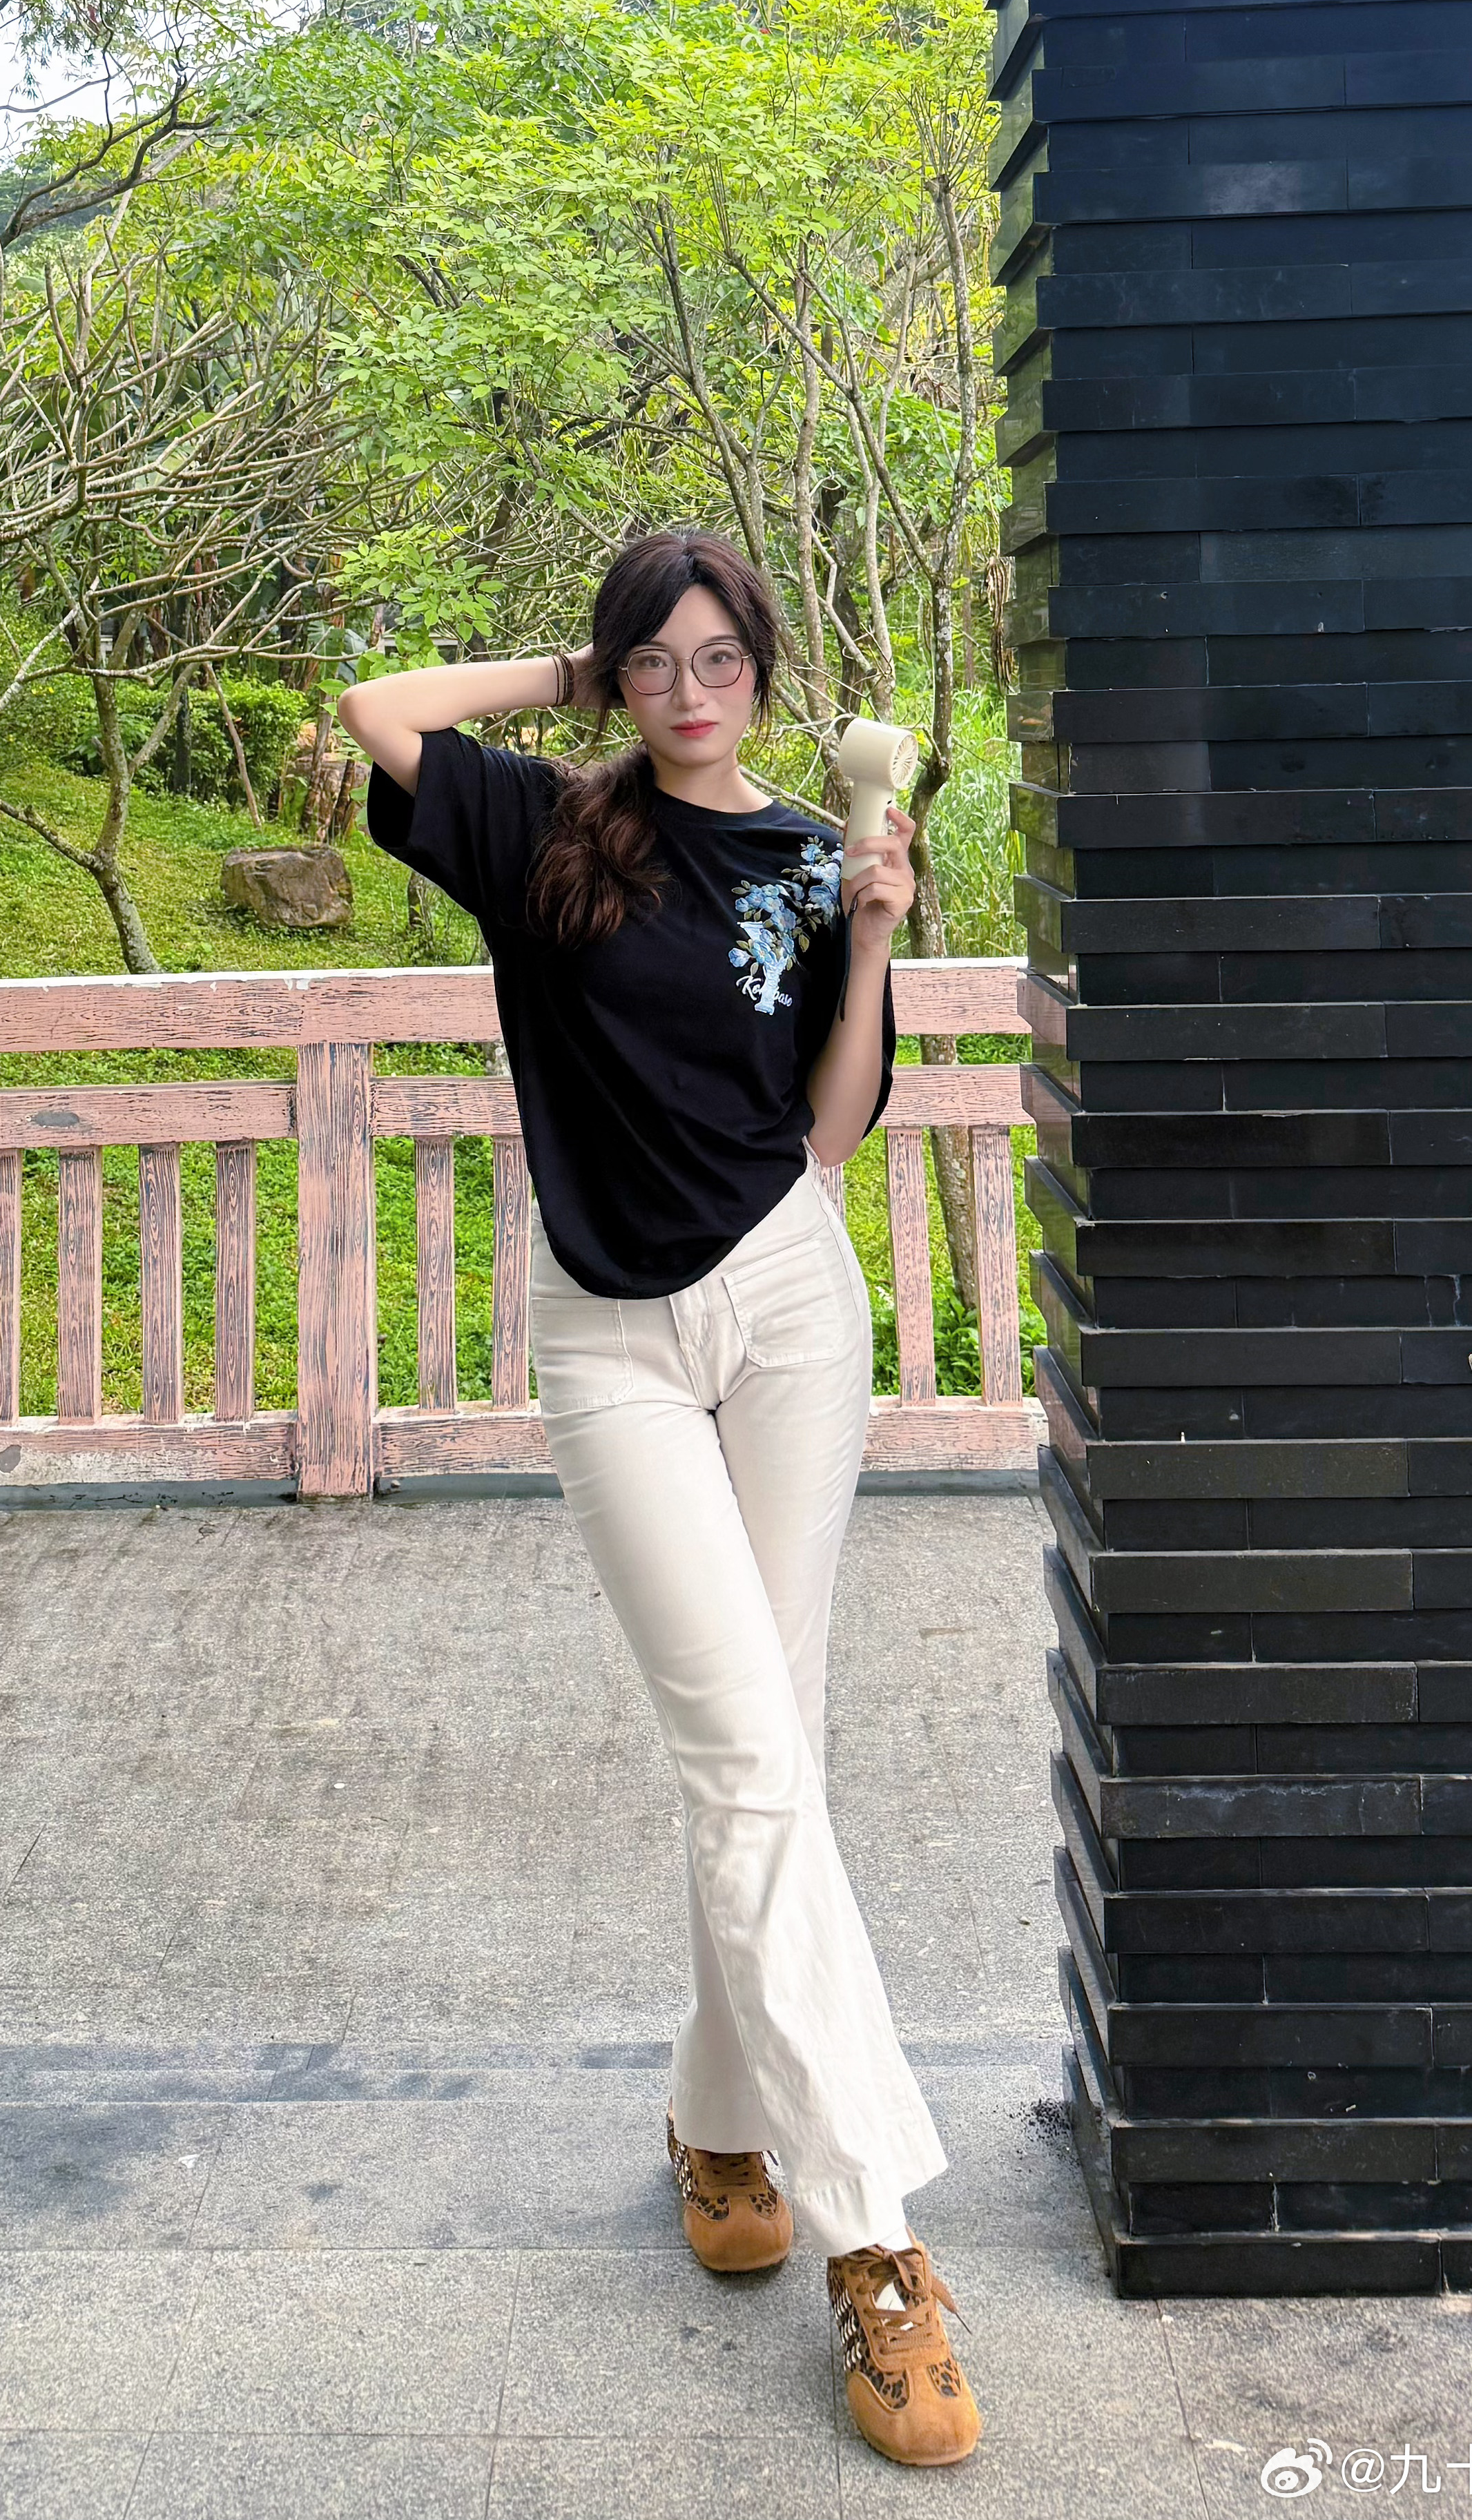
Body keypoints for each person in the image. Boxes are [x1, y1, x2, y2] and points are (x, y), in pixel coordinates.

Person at [337, 527, 981, 2472]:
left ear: (765, 671)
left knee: (771, 1753)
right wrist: (568, 670)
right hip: (612, 1337)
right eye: (653, 661)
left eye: (718, 660)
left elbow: (831, 1132)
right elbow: (376, 708)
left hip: (787, 1305)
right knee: (747, 1760)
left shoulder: (808, 851)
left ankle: (720, 2120)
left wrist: (875, 935)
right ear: (618, 675)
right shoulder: (555, 830)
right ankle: (877, 2242)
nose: (689, 693)